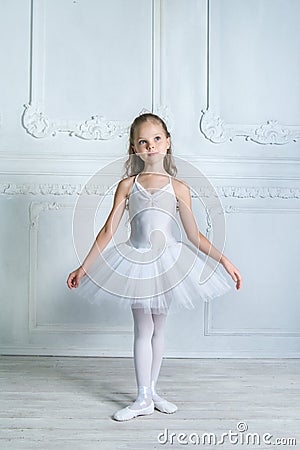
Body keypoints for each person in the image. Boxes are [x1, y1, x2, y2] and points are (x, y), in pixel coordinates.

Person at [66, 113, 242, 421]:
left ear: (168, 142)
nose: (151, 146)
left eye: (157, 139)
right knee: (143, 328)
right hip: (136, 260)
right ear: (134, 148)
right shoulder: (127, 185)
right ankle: (142, 396)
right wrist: (84, 267)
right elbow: (108, 230)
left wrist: (224, 261)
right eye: (143, 142)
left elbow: (193, 234)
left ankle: (152, 391)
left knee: (159, 328)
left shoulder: (179, 188)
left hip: (168, 262)